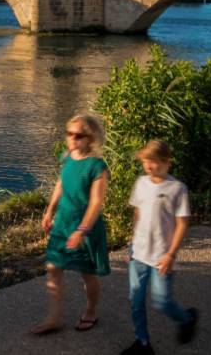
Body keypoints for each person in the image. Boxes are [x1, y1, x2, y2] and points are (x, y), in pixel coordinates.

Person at [31, 114, 110, 335]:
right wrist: (49, 211)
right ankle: (54, 318)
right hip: (63, 223)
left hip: (85, 227)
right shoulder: (67, 157)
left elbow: (96, 203)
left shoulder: (97, 166)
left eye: (79, 135)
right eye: (69, 133)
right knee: (53, 268)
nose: (73, 139)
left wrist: (82, 231)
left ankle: (91, 312)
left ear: (91, 139)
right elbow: (60, 183)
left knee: (87, 273)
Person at [121, 140, 198, 355]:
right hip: (138, 253)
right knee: (135, 301)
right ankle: (142, 343)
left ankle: (187, 318)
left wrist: (171, 254)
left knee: (162, 301)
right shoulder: (141, 183)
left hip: (162, 257)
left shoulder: (177, 189)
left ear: (167, 163)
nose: (149, 166)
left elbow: (182, 223)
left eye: (154, 161)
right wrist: (131, 244)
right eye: (146, 161)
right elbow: (138, 214)